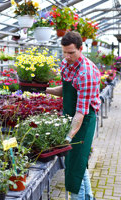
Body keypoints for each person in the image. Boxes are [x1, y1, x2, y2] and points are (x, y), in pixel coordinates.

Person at [46, 31, 100, 200]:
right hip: (70, 116)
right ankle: (88, 197)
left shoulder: (87, 73)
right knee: (77, 164)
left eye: (71, 53)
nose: (67, 56)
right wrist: (44, 89)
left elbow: (81, 112)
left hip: (83, 121)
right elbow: (67, 90)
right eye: (64, 52)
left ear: (81, 49)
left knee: (74, 165)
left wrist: (67, 138)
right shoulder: (66, 64)